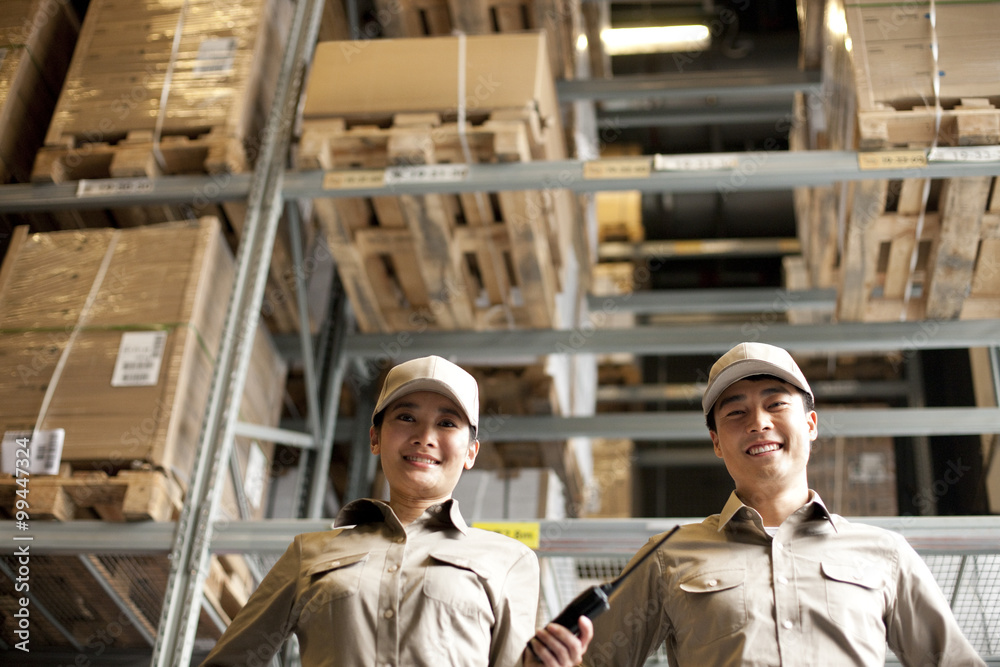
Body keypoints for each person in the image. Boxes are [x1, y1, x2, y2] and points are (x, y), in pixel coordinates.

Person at [582, 342, 984, 667]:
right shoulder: (667, 557)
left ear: (810, 425)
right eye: (736, 412)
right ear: (717, 443)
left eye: (776, 404)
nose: (758, 422)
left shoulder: (885, 554)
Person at [202, 355, 592, 667]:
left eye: (447, 423)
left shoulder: (509, 561)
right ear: (375, 437)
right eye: (406, 417)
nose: (424, 437)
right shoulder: (310, 554)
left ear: (471, 452)